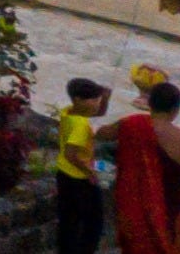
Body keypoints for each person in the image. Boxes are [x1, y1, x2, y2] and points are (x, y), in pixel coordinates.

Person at [121, 81, 180, 254]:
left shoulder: (131, 124)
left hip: (134, 205)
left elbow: (102, 133)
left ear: (149, 104)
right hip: (169, 206)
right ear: (176, 110)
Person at [74, 80, 122, 254]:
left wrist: (105, 99)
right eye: (94, 100)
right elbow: (72, 155)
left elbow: (98, 114)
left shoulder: (79, 115)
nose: (98, 104)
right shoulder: (74, 121)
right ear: (78, 101)